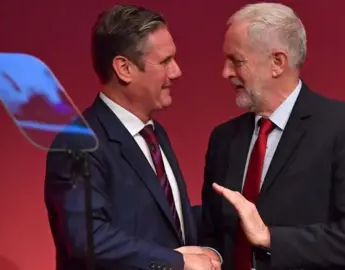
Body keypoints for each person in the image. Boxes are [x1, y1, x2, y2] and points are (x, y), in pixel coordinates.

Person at [200, 2, 345, 270]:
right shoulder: (223, 139)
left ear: (277, 62)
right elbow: (213, 232)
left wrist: (270, 239)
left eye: (236, 61)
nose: (226, 72)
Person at [44, 5, 220, 270]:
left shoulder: (154, 133)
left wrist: (223, 219)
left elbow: (159, 221)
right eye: (164, 62)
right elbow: (88, 240)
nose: (176, 72)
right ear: (124, 68)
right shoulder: (79, 143)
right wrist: (178, 262)